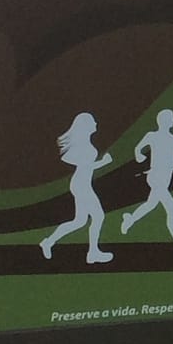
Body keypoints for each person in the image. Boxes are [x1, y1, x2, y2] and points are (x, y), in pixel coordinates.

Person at [121, 108, 173, 255]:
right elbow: (138, 148)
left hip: (166, 177)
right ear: (163, 121)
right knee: (171, 205)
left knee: (151, 204)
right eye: (170, 118)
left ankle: (129, 220)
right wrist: (139, 157)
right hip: (155, 177)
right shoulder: (152, 136)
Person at [41, 112, 113, 264]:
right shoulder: (83, 146)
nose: (96, 124)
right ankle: (93, 252)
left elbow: (86, 167)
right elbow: (86, 166)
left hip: (82, 184)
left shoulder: (85, 145)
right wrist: (104, 162)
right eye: (93, 122)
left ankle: (48, 242)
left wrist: (102, 162)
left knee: (79, 221)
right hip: (81, 185)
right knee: (98, 216)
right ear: (86, 126)